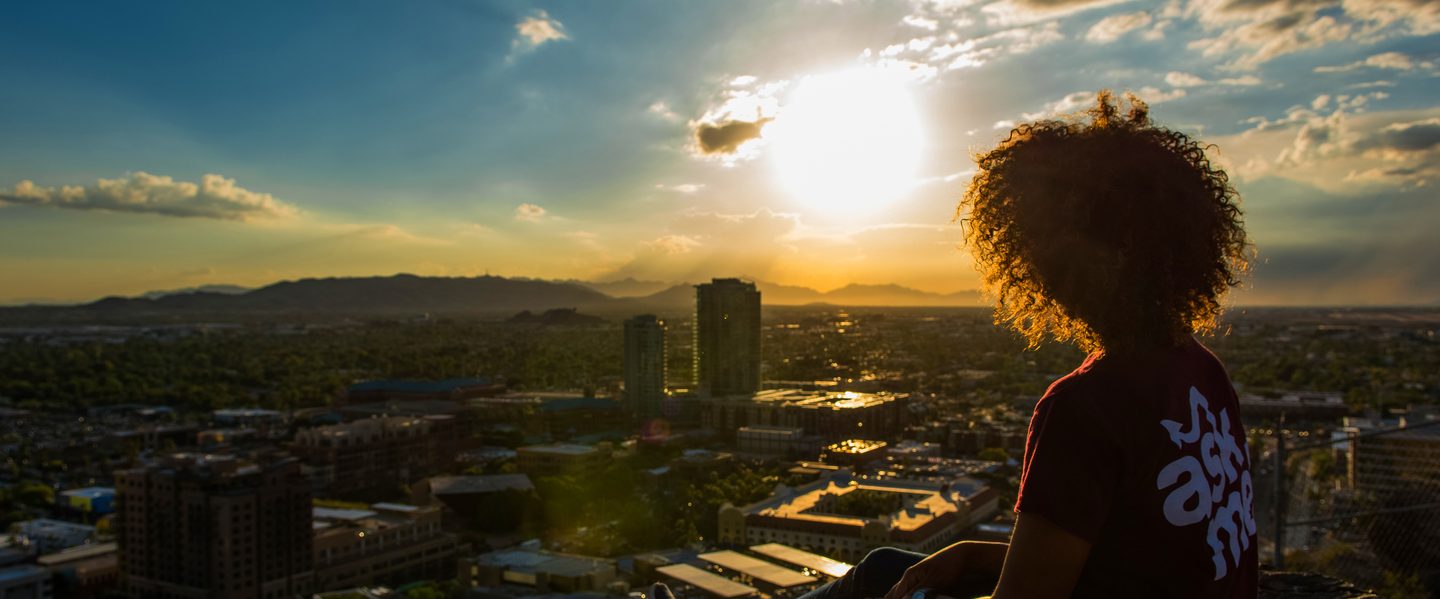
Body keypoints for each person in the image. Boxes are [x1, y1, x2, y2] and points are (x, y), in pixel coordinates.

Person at [654, 91, 1257, 599]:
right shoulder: (1201, 372)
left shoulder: (1086, 407)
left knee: (874, 579)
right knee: (892, 566)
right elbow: (1131, 562)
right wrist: (973, 554)